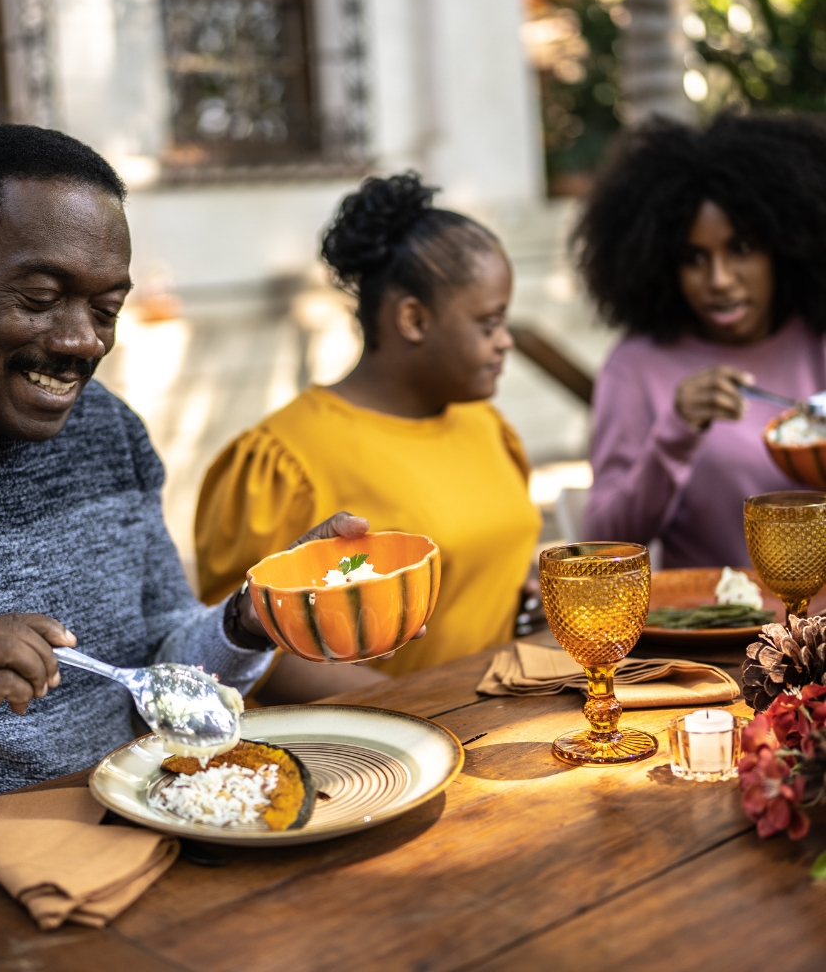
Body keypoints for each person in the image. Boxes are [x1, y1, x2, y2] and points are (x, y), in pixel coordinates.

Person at [0, 124, 368, 843]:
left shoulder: (110, 433)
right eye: (42, 296)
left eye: (106, 309)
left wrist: (249, 618)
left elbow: (160, 676)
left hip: (128, 846)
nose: (82, 341)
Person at [195, 173, 542, 701]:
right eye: (489, 324)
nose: (505, 342)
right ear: (413, 319)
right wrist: (427, 706)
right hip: (379, 750)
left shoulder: (486, 427)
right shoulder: (283, 460)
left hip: (502, 719)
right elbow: (245, 651)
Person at [576, 113, 826, 567]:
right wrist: (676, 433)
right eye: (694, 258)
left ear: (786, 246)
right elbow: (602, 543)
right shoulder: (636, 367)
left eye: (742, 248)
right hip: (717, 627)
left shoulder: (817, 340)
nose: (720, 280)